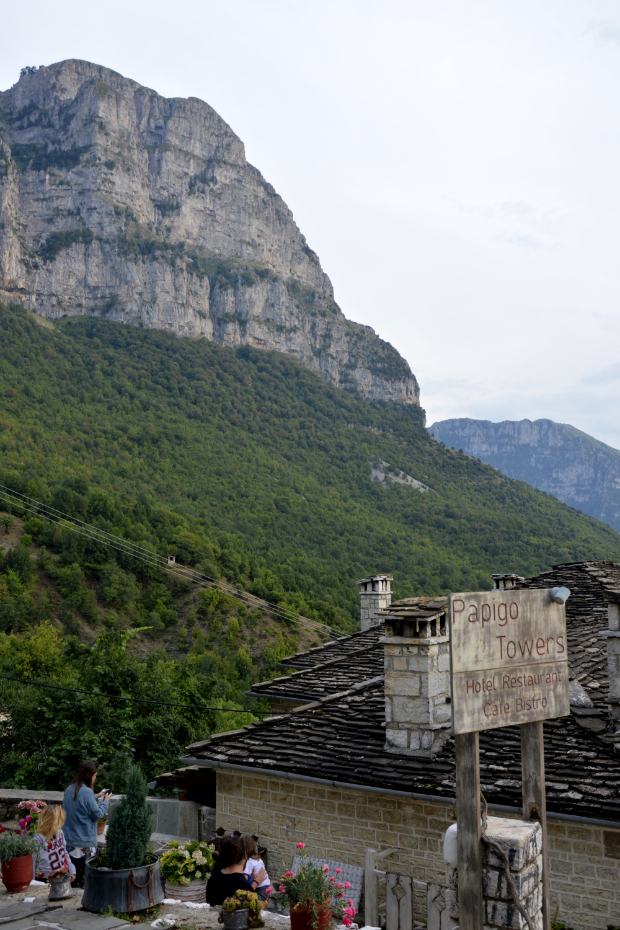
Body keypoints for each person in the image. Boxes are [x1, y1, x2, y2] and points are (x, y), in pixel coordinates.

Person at [62, 760, 111, 887]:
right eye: (95, 775)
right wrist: (106, 801)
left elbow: (80, 805)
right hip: (83, 843)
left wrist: (98, 795)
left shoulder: (69, 788)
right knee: (84, 881)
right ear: (90, 775)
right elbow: (98, 814)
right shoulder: (86, 792)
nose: (95, 778)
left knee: (71, 877)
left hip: (68, 841)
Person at [206, 836, 268, 907]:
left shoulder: (214, 876)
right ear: (245, 855)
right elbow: (251, 911)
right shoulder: (243, 884)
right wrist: (265, 902)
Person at [33, 805, 76, 882]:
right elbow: (31, 864)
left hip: (60, 875)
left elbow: (64, 852)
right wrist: (32, 884)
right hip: (43, 878)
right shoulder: (37, 840)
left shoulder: (60, 833)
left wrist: (72, 870)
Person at [242, 835, 270, 902]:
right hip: (266, 886)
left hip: (260, 888)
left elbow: (244, 879)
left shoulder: (249, 862)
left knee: (253, 903)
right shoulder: (259, 859)